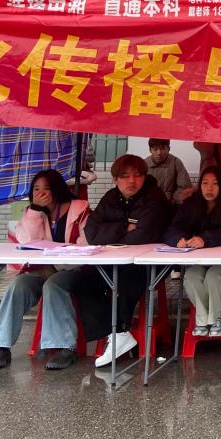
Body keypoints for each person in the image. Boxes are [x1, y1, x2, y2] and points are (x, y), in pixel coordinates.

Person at [0, 170, 91, 370]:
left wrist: (59, 257)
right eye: (36, 189)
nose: (41, 192)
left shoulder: (80, 208)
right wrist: (35, 211)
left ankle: (65, 347)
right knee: (17, 285)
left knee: (53, 284)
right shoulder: (31, 212)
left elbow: (85, 244)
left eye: (47, 188)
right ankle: (1, 346)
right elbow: (26, 242)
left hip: (73, 270)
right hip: (41, 269)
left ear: (57, 188)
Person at [76, 154, 172, 367]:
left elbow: (142, 236)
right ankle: (114, 333)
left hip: (150, 262)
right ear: (115, 179)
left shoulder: (155, 198)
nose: (132, 181)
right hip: (115, 260)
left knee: (125, 280)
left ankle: (119, 332)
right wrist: (124, 227)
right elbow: (92, 232)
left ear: (145, 177)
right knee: (84, 280)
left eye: (137, 175)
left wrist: (111, 234)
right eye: (125, 176)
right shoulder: (110, 198)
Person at [165, 165, 221, 338]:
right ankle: (203, 320)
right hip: (199, 262)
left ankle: (216, 318)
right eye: (205, 183)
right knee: (190, 277)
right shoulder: (190, 205)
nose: (209, 188)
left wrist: (206, 239)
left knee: (215, 276)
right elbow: (173, 228)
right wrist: (178, 239)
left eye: (215, 184)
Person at [146, 138, 193, 203]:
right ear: (150, 150)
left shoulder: (175, 162)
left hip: (172, 203)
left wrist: (173, 199)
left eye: (162, 149)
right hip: (149, 204)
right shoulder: (144, 164)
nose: (159, 153)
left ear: (169, 149)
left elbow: (185, 187)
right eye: (155, 149)